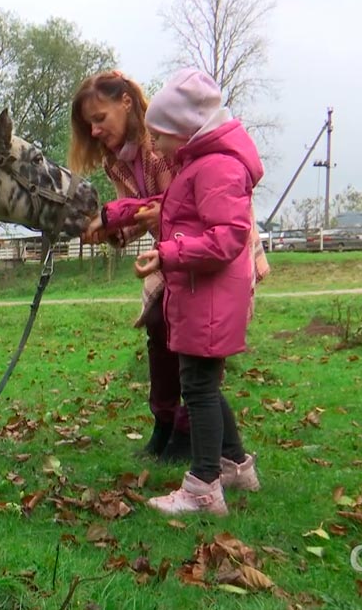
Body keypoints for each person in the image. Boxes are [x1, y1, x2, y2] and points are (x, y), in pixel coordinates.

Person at [97, 67, 264, 515]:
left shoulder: (216, 168)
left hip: (205, 295)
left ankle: (203, 486)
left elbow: (227, 238)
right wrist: (115, 219)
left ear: (186, 130)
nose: (158, 147)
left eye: (163, 136)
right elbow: (170, 213)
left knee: (200, 389)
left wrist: (168, 255)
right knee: (203, 383)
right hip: (197, 292)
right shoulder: (200, 164)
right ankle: (235, 464)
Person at [68, 70, 190, 462]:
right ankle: (166, 424)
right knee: (158, 329)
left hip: (199, 246)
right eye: (90, 125)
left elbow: (174, 207)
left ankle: (192, 434)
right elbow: (140, 220)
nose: (96, 130)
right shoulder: (116, 163)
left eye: (100, 118)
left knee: (188, 341)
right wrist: (109, 232)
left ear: (125, 102)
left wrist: (112, 216)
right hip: (168, 251)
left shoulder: (162, 143)